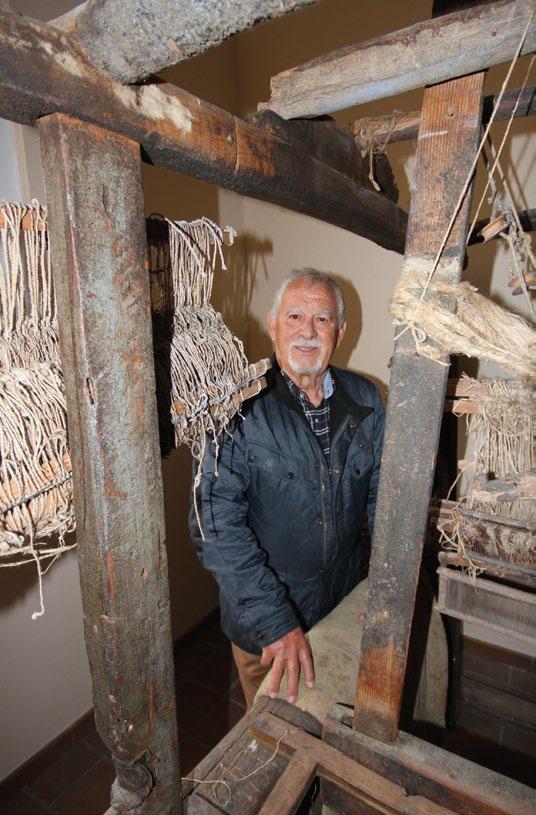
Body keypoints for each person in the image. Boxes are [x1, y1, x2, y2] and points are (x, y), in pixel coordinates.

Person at [189, 269, 385, 709]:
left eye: (322, 319)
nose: (308, 332)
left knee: (338, 724)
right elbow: (214, 527)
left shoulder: (366, 399)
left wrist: (380, 585)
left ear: (340, 332)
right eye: (295, 316)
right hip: (266, 629)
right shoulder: (235, 405)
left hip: (340, 608)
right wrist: (276, 622)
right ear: (273, 324)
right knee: (275, 734)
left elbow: (381, 499)